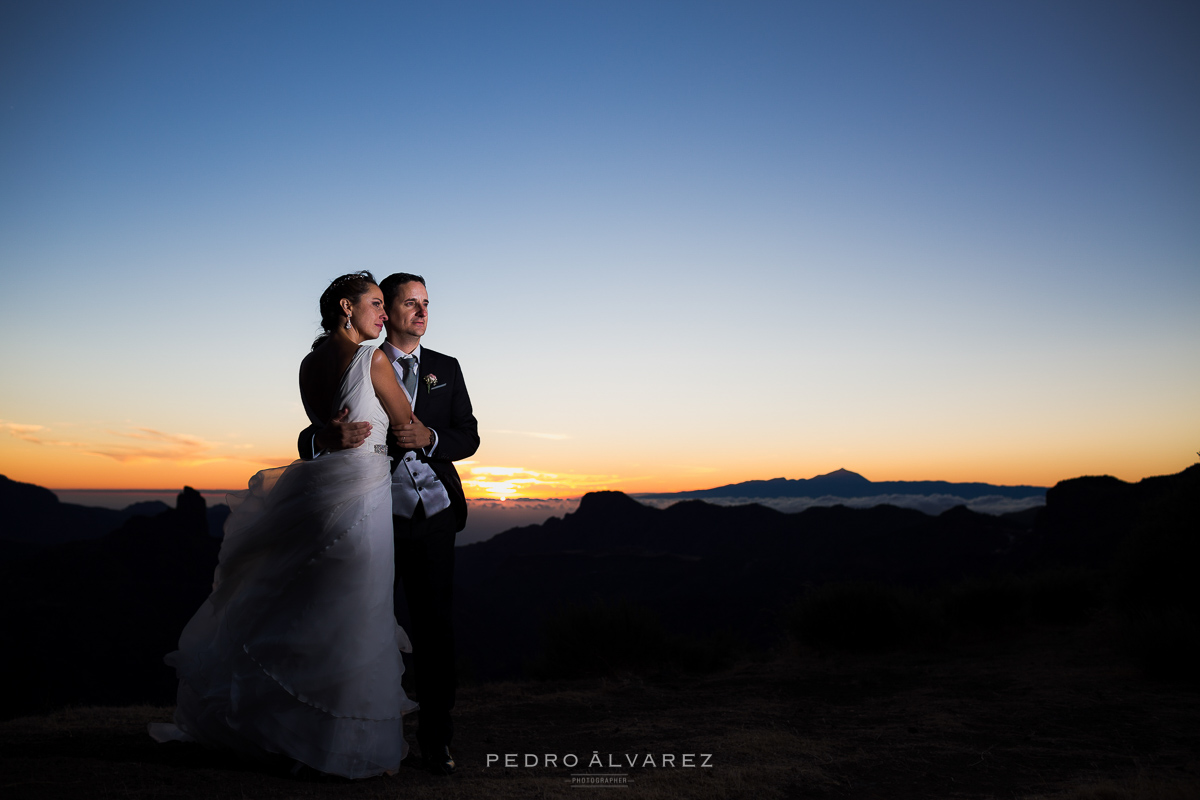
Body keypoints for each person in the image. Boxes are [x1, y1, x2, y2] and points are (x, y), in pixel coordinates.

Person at [150, 272, 419, 779]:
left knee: (309, 602)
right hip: (363, 488)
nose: (384, 315)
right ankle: (336, 741)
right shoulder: (372, 358)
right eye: (377, 304)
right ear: (347, 306)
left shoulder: (308, 362)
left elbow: (322, 426)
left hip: (320, 488)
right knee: (353, 609)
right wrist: (420, 433)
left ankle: (286, 729)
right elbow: (405, 425)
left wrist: (332, 431)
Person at [302, 272, 479, 775]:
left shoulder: (446, 368)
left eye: (427, 303)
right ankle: (365, 730)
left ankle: (437, 740)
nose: (421, 312)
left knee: (434, 630)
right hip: (371, 511)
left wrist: (433, 437)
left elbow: (469, 436)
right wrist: (324, 440)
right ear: (388, 310)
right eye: (409, 303)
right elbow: (311, 432)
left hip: (435, 515)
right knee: (364, 623)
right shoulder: (356, 359)